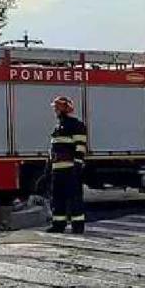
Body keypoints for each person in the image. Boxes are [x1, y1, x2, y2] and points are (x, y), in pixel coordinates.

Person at [47, 96, 87, 233]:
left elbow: (80, 146)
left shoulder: (75, 125)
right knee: (57, 198)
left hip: (70, 169)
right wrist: (48, 165)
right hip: (57, 169)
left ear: (65, 108)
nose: (55, 110)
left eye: (57, 107)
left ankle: (78, 226)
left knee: (74, 198)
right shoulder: (58, 126)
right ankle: (58, 224)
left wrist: (77, 165)